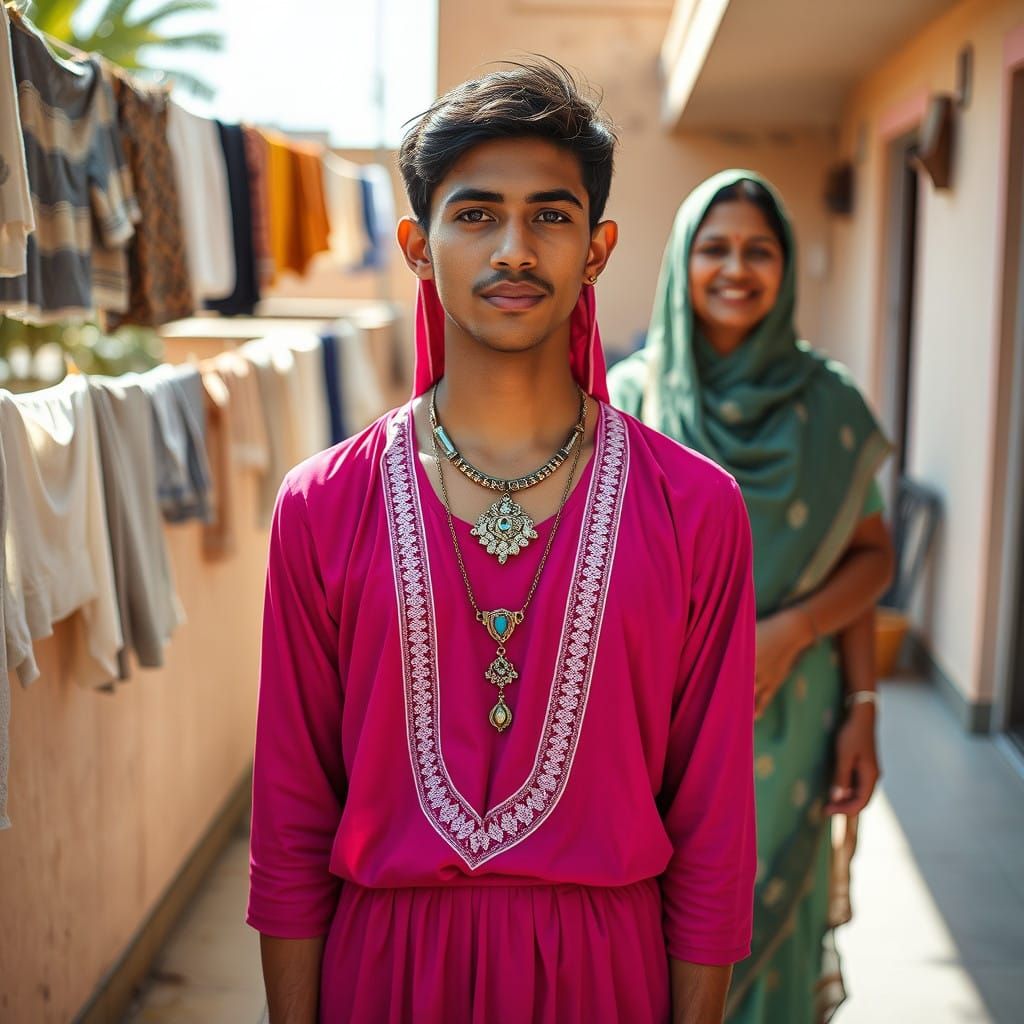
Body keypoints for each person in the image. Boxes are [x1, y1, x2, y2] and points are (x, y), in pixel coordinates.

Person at [248, 64, 758, 1023]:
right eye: (476, 215)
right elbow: (289, 812)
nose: (515, 250)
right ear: (416, 244)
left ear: (598, 249)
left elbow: (715, 824)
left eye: (552, 217)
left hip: (610, 982)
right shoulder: (321, 503)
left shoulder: (695, 507)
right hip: (384, 980)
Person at [608, 170, 895, 1024]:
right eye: (715, 248)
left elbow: (870, 557)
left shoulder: (828, 403)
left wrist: (841, 681)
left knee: (768, 923)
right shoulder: (630, 398)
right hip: (652, 720)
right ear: (681, 264)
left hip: (792, 709)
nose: (737, 268)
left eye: (759, 250)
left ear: (788, 268)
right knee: (653, 935)